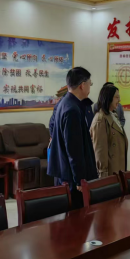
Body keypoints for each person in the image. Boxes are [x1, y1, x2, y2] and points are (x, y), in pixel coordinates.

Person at [47, 67, 97, 209]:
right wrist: (80, 179)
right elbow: (74, 150)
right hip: (71, 177)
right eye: (90, 84)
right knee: (77, 216)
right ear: (82, 85)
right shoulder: (72, 110)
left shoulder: (65, 103)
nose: (90, 87)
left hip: (65, 172)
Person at [90, 84, 128, 178]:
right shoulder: (100, 120)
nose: (119, 100)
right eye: (116, 97)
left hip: (118, 168)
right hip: (110, 173)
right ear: (108, 98)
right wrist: (103, 176)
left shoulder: (113, 115)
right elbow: (100, 151)